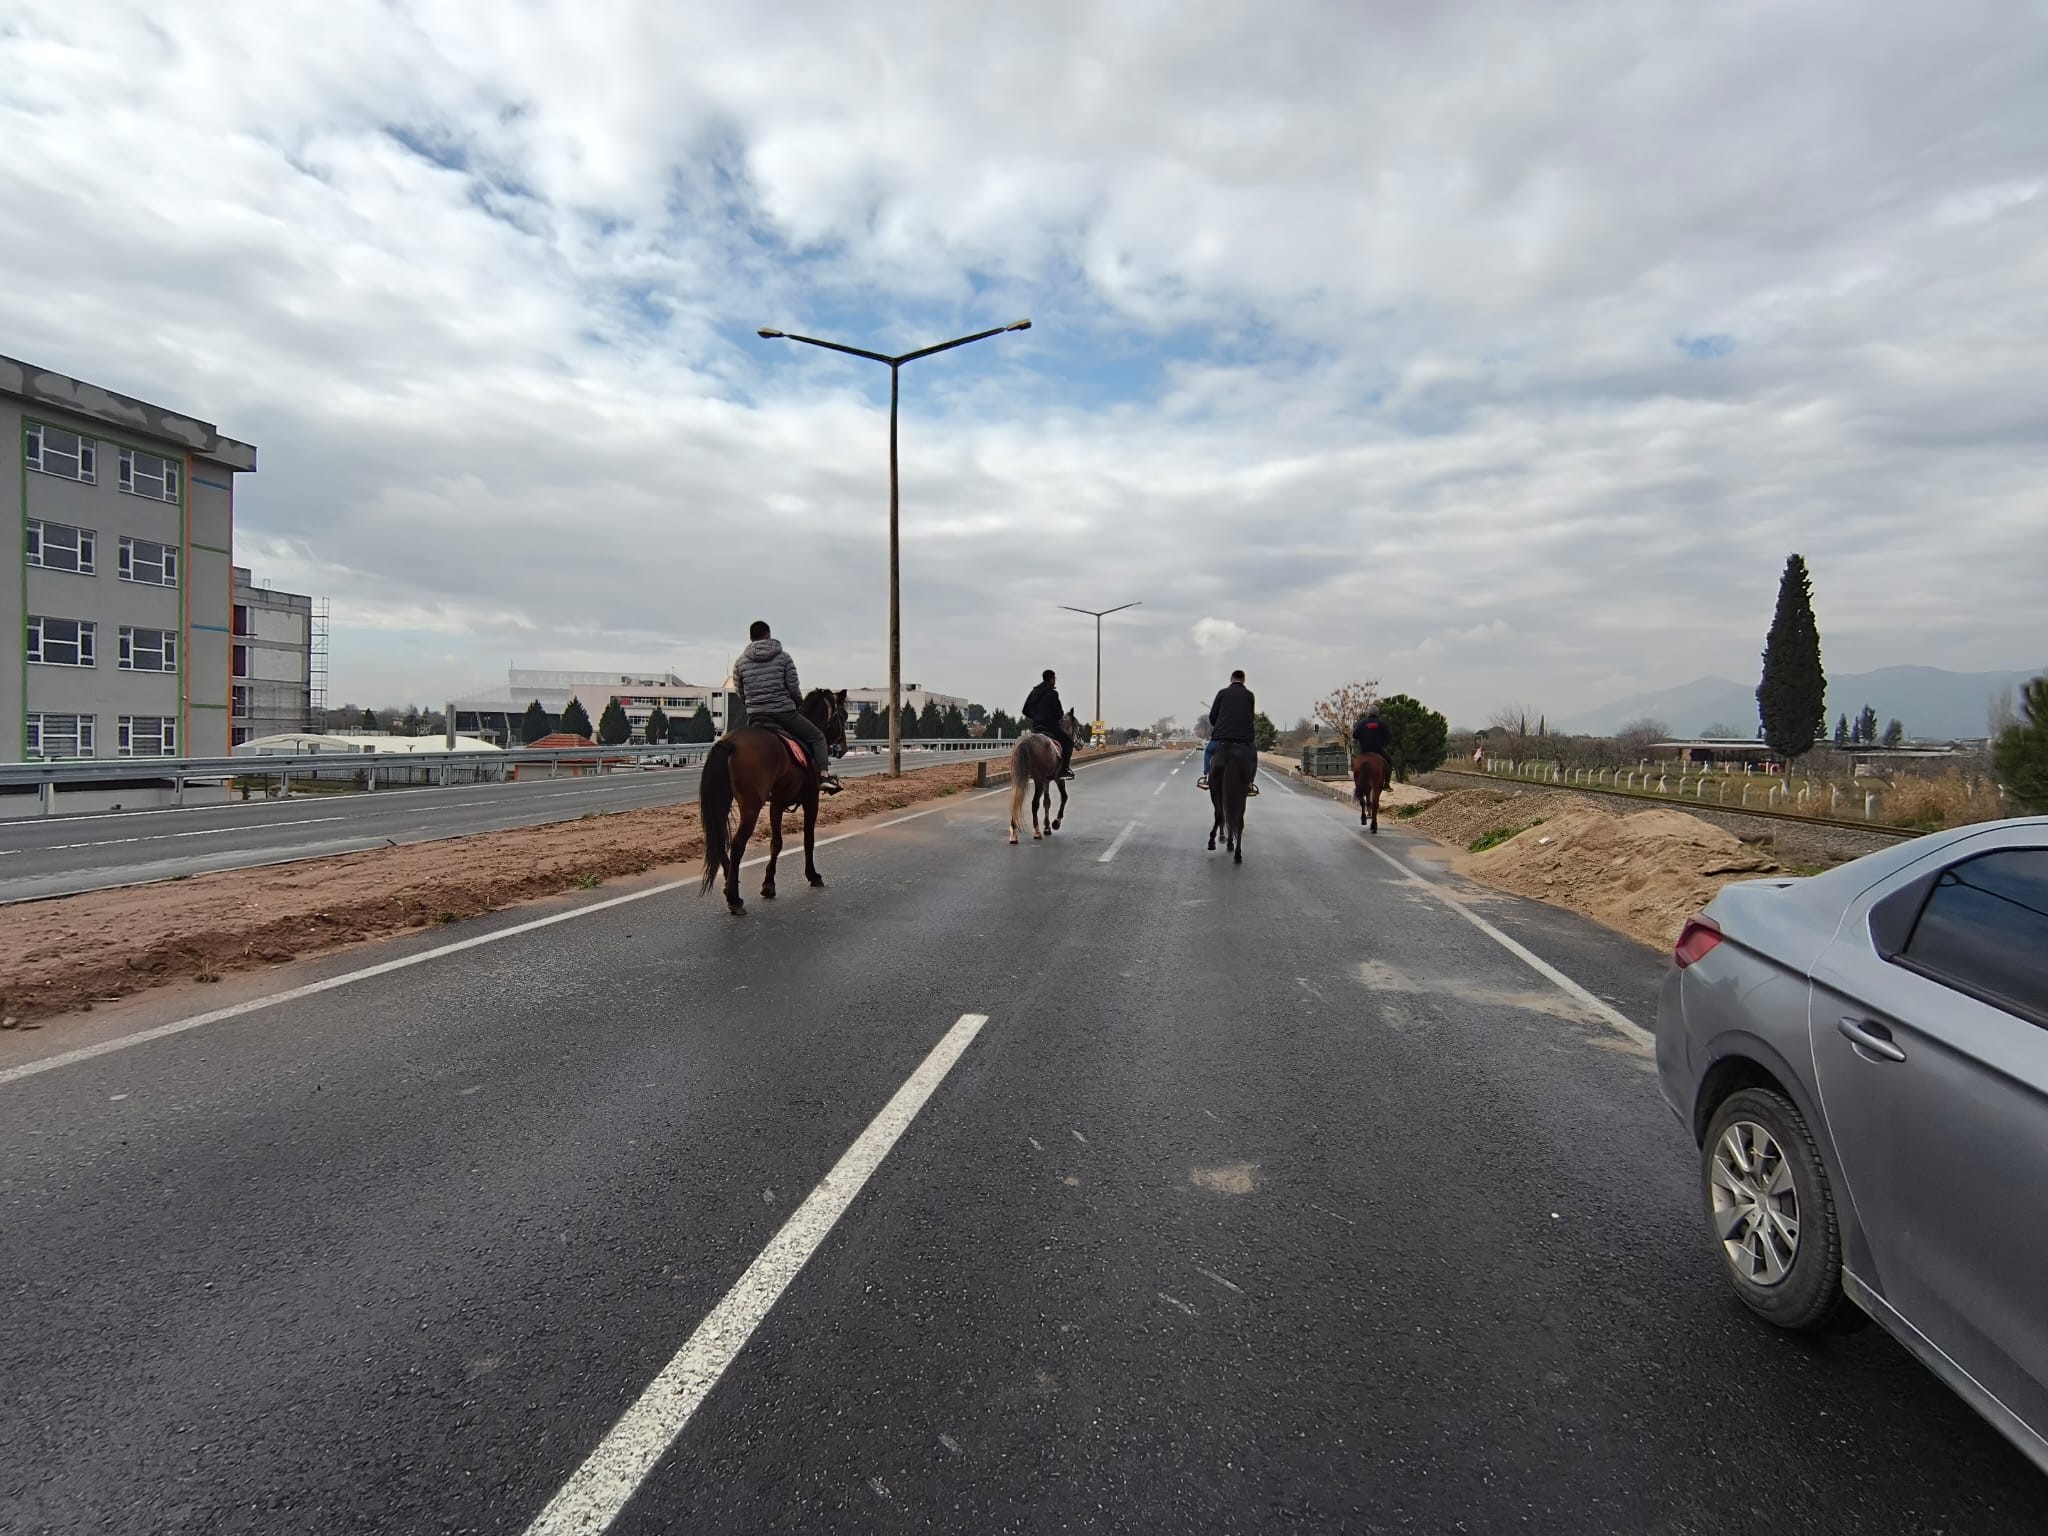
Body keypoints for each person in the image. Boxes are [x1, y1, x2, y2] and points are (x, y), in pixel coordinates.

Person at [732, 620, 841, 794]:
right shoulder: (784, 658)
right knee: (818, 737)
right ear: (768, 635)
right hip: (783, 713)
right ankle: (824, 777)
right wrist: (798, 705)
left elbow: (740, 692)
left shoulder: (740, 663)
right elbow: (793, 688)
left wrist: (753, 705)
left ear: (750, 637)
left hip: (757, 716)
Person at [1198, 668, 1259, 794]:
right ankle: (1250, 783)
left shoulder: (1222, 693)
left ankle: (1207, 776)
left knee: (1209, 751)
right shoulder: (1249, 695)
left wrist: (1218, 726)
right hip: (1244, 738)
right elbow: (1251, 718)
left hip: (1221, 736)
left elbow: (1212, 716)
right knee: (1253, 757)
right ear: (1244, 680)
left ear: (1231, 679)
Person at [1022, 669, 1075, 779]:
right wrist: (1051, 717)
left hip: (1036, 727)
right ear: (1051, 679)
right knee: (1069, 742)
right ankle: (1064, 769)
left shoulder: (1034, 692)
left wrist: (1036, 717)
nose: (1055, 681)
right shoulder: (1053, 693)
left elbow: (1025, 710)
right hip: (1051, 727)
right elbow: (1059, 714)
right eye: (1055, 679)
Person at [1352, 701, 1395, 780]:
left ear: (1368, 714)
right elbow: (1389, 737)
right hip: (1378, 751)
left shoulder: (1362, 723)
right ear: (1377, 714)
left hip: (1364, 751)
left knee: (1355, 764)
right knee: (1390, 761)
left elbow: (1354, 735)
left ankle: (1357, 784)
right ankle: (1386, 784)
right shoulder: (1382, 724)